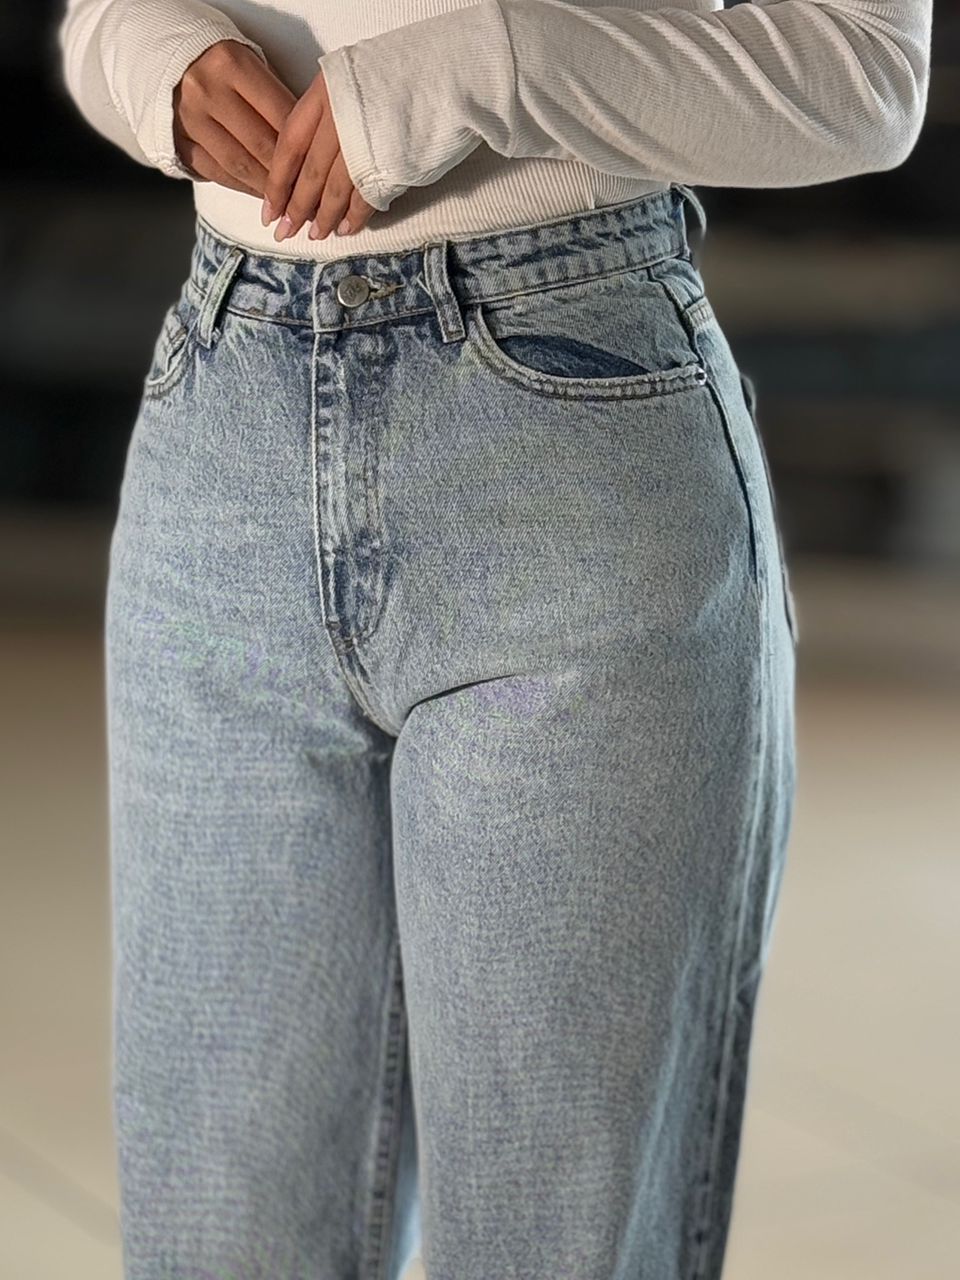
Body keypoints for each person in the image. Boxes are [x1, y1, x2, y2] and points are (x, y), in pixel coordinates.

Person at [56, 2, 931, 1278]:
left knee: (551, 1236)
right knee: (216, 1243)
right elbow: (99, 17)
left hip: (567, 434)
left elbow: (866, 74)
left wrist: (475, 70)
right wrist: (157, 61)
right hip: (222, 425)